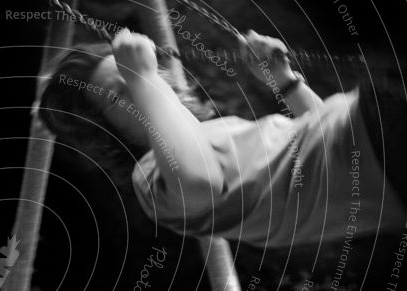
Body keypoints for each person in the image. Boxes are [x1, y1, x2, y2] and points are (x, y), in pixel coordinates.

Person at [39, 29, 407, 247]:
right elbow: (199, 181)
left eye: (130, 75)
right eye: (119, 93)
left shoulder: (204, 136)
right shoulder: (151, 179)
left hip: (373, 137)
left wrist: (285, 81)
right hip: (380, 142)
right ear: (106, 133)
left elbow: (319, 134)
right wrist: (142, 78)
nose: (137, 84)